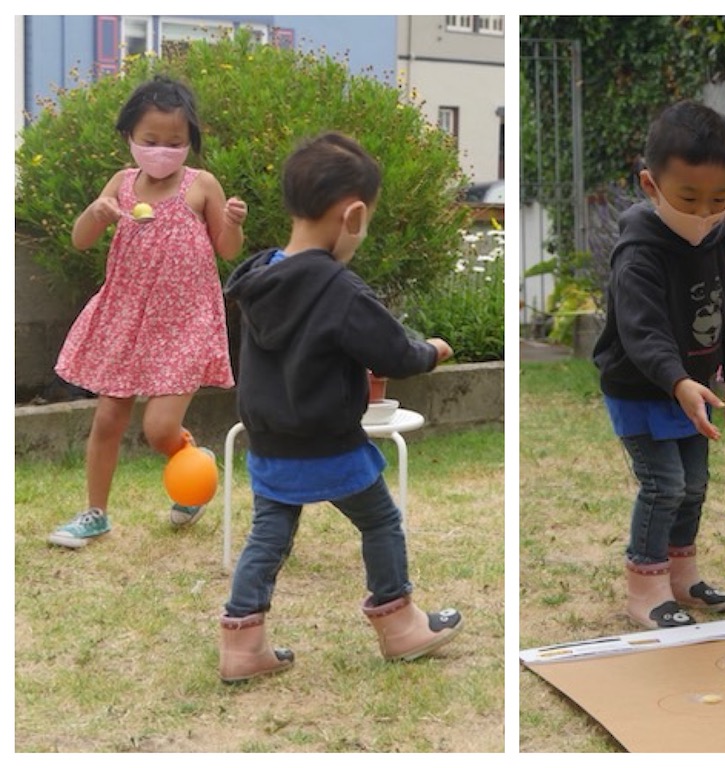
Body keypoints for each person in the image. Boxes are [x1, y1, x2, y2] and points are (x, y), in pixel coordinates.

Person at [217, 131, 462, 682]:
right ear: (351, 216)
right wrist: (433, 352)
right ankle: (400, 625)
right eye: (367, 220)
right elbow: (394, 352)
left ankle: (240, 644)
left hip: (272, 442)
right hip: (330, 444)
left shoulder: (262, 278)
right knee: (380, 521)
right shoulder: (339, 290)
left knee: (268, 537)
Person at [49, 76, 247, 549]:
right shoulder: (120, 184)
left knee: (160, 430)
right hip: (125, 317)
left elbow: (227, 249)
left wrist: (234, 224)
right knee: (107, 421)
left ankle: (191, 465)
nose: (162, 150)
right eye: (150, 141)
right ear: (130, 139)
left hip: (184, 323)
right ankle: (96, 513)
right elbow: (81, 240)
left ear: (189, 142)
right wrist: (95, 213)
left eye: (175, 142)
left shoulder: (202, 186)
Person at [593, 101, 725, 629]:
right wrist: (678, 380)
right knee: (664, 484)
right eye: (689, 198)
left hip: (696, 388)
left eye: (720, 199)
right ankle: (646, 586)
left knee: (696, 483)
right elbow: (643, 333)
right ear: (650, 185)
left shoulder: (720, 236)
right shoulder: (638, 253)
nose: (704, 212)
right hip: (641, 388)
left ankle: (681, 575)